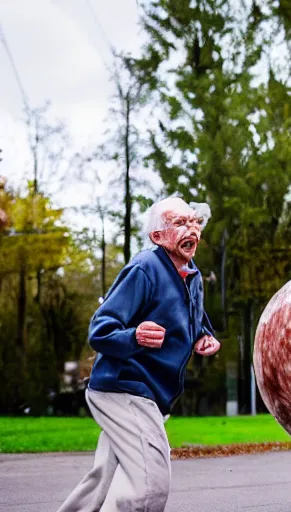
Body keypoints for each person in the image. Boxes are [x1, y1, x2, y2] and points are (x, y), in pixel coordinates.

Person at [57, 196, 221, 512]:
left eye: (193, 221)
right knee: (149, 484)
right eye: (179, 223)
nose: (192, 228)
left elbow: (193, 314)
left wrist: (203, 335)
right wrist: (134, 336)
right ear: (157, 237)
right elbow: (100, 331)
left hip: (152, 394)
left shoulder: (192, 274)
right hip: (126, 388)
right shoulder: (144, 269)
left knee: (103, 479)